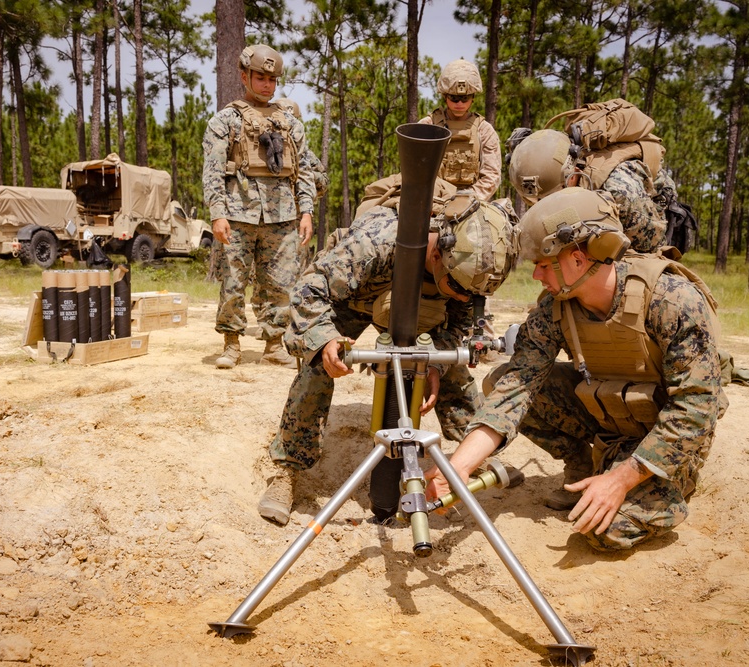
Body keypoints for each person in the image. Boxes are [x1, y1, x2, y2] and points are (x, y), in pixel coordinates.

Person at [424, 188, 727, 551]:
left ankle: (661, 487)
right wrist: (458, 467)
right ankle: (586, 468)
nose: (536, 274)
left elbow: (696, 410)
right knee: (502, 378)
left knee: (604, 531)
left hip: (666, 439)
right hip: (611, 417)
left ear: (578, 259)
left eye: (543, 263)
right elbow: (516, 389)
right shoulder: (556, 307)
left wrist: (622, 479)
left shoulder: (672, 301)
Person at [258, 194, 517, 526]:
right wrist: (324, 339)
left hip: (425, 311)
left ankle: (474, 456)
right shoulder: (376, 242)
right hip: (354, 298)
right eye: (458, 287)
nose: (465, 297)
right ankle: (287, 471)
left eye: (473, 294)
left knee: (451, 369)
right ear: (437, 255)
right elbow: (309, 289)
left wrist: (436, 363)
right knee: (318, 367)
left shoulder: (466, 274)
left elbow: (459, 324)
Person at [202, 44, 316, 368]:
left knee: (280, 282)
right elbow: (212, 171)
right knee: (233, 281)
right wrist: (218, 214)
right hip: (238, 211)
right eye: (260, 77)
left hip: (282, 213)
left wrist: (306, 211)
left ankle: (273, 343)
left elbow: (303, 169)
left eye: (272, 79)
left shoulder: (290, 123)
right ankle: (232, 344)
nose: (267, 84)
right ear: (244, 76)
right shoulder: (225, 120)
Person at [507, 123, 668, 254]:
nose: (546, 204)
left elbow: (653, 246)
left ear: (574, 173)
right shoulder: (547, 174)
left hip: (652, 231)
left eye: (550, 197)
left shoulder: (619, 191)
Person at [419, 60, 502, 201]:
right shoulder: (428, 125)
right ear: (445, 96)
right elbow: (415, 170)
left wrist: (466, 199)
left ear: (473, 98)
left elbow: (491, 175)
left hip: (472, 202)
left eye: (465, 98)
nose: (459, 104)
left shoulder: (484, 130)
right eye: (454, 98)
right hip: (432, 200)